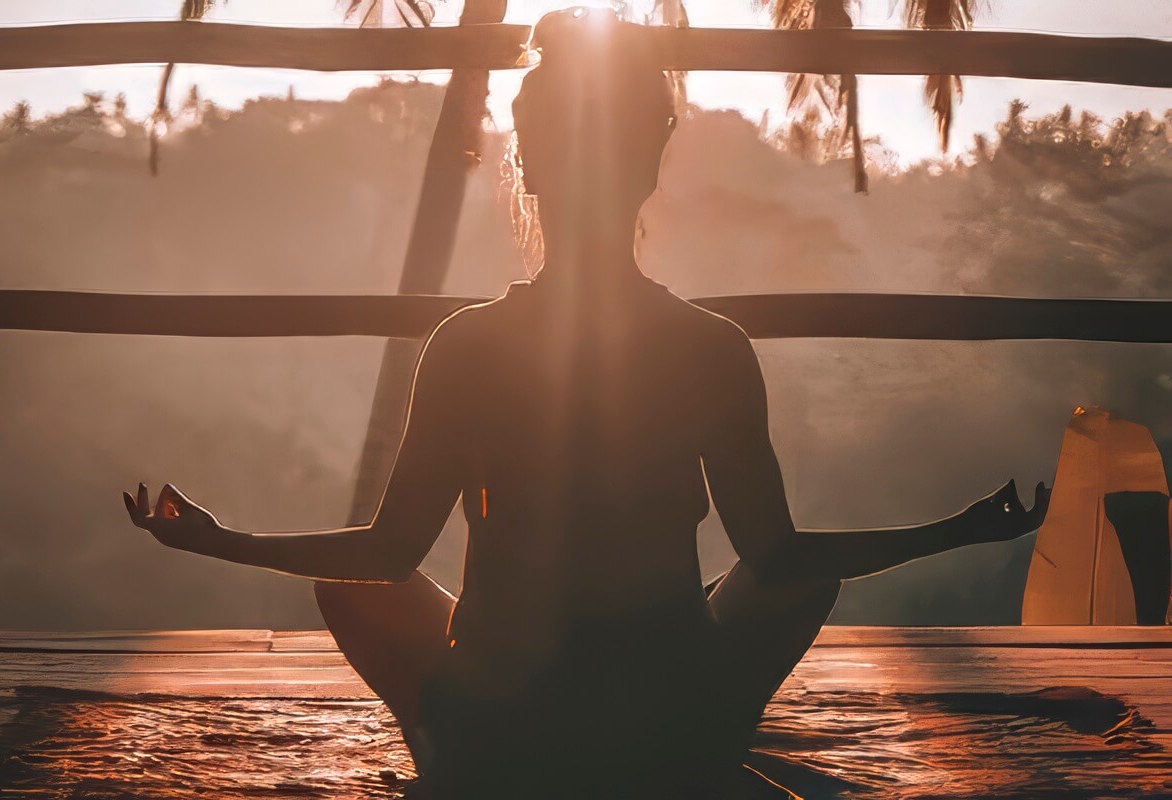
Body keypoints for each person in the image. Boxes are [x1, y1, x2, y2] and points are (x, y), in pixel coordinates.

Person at [124, 9, 1049, 798]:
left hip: (505, 714)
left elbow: (388, 552)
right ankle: (682, 749)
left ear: (527, 166)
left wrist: (220, 540)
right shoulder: (709, 347)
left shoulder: (469, 345)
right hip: (667, 704)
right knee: (798, 578)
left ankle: (462, 754)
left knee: (355, 589)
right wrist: (958, 530)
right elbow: (778, 555)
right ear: (649, 167)